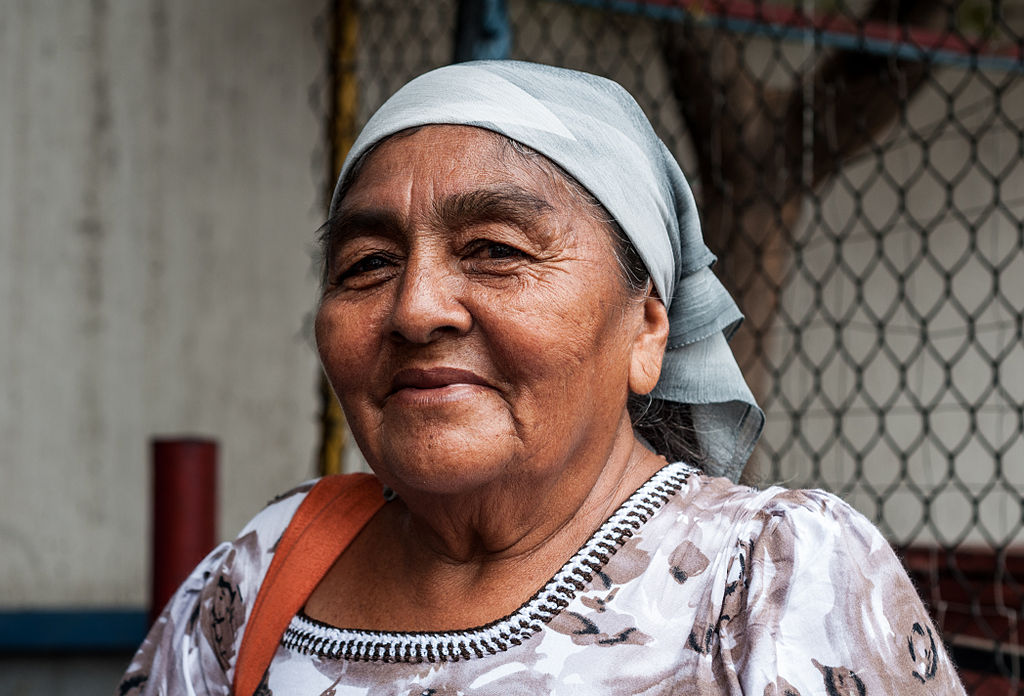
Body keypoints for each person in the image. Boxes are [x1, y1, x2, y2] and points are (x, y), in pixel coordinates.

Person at [118, 61, 964, 695]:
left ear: (647, 329)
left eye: (495, 251)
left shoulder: (766, 580)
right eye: (367, 263)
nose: (416, 309)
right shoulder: (266, 569)